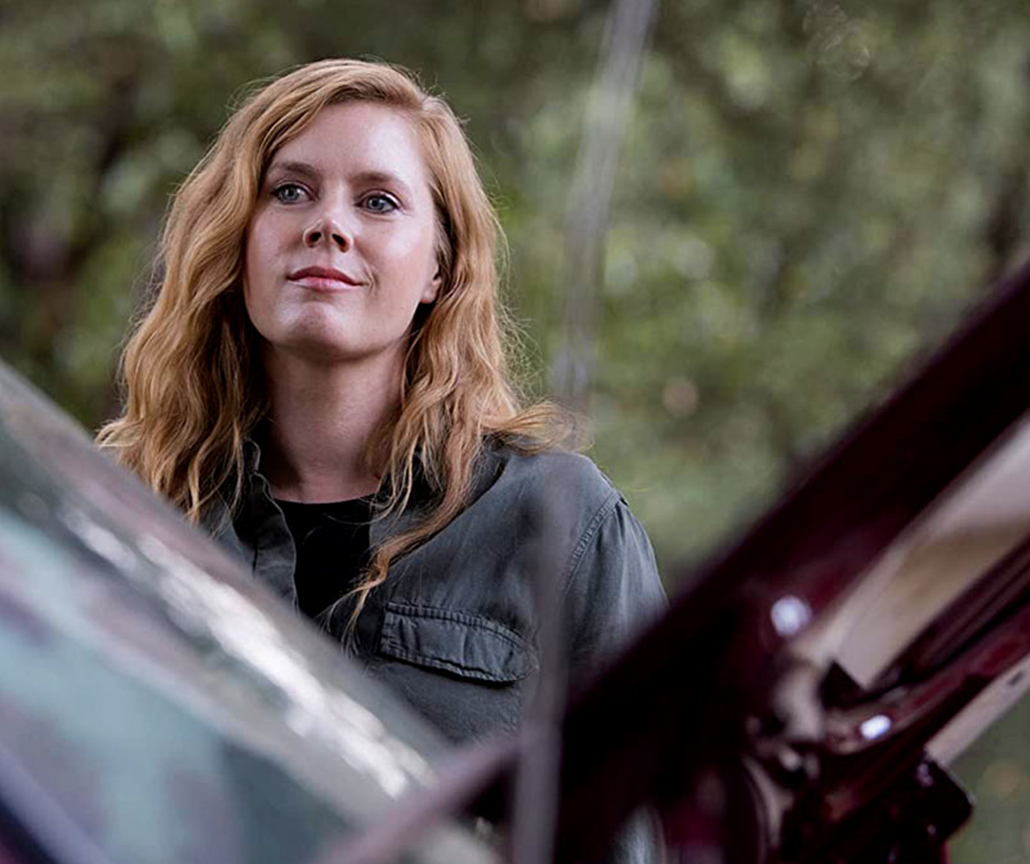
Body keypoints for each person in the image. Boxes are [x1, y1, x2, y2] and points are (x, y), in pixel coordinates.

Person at [98, 58, 664, 858]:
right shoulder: (129, 508)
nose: (328, 225)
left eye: (378, 201)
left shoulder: (564, 525)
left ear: (438, 266)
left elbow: (629, 837)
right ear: (239, 237)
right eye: (289, 191)